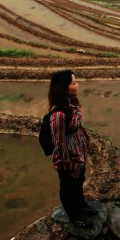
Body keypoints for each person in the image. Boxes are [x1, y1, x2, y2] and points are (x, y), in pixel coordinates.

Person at [47, 69, 97, 227]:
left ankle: (81, 205)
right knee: (68, 187)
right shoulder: (59, 114)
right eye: (74, 82)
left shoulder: (72, 103)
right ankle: (74, 216)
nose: (77, 84)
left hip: (78, 151)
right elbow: (59, 142)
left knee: (79, 181)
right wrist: (67, 164)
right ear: (64, 87)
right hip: (68, 158)